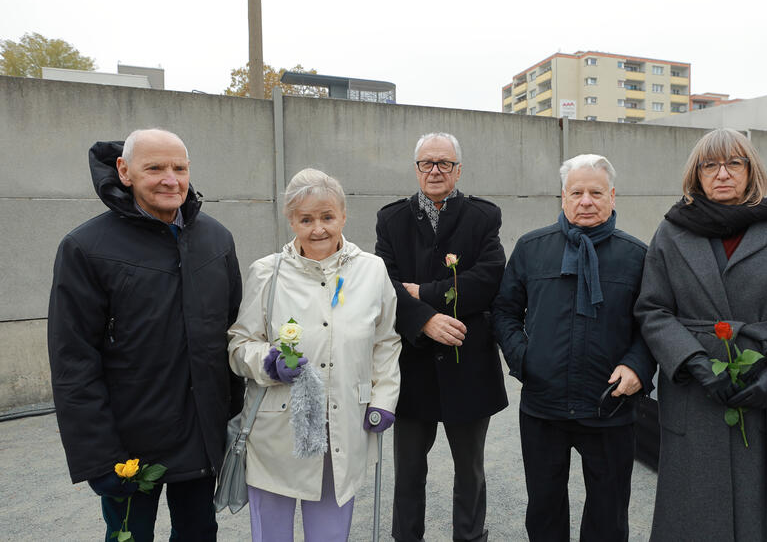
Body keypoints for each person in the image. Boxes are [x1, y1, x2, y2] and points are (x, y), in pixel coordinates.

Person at [633, 128, 767, 541]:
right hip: (695, 396)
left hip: (766, 398)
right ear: (697, 174)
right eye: (710, 165)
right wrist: (692, 362)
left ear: (750, 171)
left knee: (760, 515)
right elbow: (653, 309)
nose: (722, 174)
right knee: (693, 513)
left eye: (733, 163)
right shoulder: (672, 233)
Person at [48, 128, 243, 540]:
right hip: (128, 446)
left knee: (199, 533)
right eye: (154, 167)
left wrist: (236, 422)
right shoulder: (85, 248)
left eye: (179, 168)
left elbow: (231, 336)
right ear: (124, 171)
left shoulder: (216, 240)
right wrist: (99, 457)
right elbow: (73, 361)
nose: (169, 179)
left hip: (201, 435)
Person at [228, 168, 401, 541]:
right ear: (291, 220)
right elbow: (240, 344)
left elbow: (385, 342)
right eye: (305, 219)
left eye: (327, 217)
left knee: (329, 535)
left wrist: (385, 397)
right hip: (277, 434)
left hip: (343, 428)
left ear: (343, 215)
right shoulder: (266, 273)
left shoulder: (372, 270)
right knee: (271, 534)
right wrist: (268, 362)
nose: (318, 228)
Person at [491, 153, 655, 542]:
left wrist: (636, 366)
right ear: (562, 197)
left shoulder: (637, 256)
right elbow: (504, 311)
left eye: (596, 192)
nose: (586, 201)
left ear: (612, 196)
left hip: (609, 406)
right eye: (576, 192)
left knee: (609, 511)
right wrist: (524, 359)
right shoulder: (532, 248)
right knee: (544, 509)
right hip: (544, 406)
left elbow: (653, 324)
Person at [374, 132, 507, 542]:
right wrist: (426, 320)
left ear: (458, 169)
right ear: (416, 169)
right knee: (409, 469)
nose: (434, 171)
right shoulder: (392, 219)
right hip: (413, 364)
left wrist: (426, 294)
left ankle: (469, 537)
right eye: (426, 163)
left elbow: (489, 278)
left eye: (443, 163)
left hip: (468, 361)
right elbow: (383, 284)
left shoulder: (483, 216)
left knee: (470, 469)